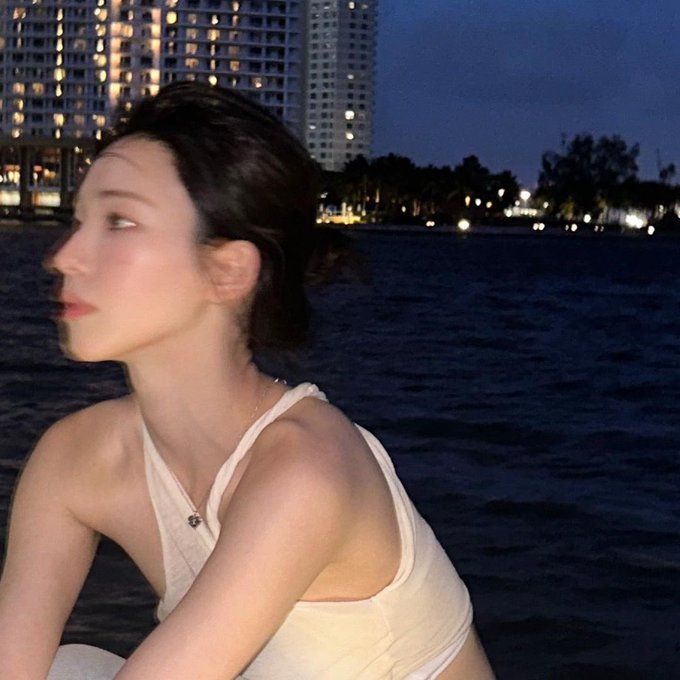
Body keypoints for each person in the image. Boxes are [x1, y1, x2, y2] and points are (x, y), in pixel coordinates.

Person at [0, 81, 495, 679]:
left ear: (228, 270)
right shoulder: (74, 459)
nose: (66, 256)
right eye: (79, 221)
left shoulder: (306, 471)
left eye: (120, 222)